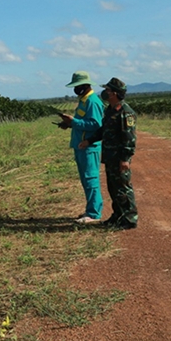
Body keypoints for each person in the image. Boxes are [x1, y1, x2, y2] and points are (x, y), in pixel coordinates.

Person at [80, 77, 138, 230]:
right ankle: (117, 216)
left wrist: (125, 159)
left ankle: (129, 218)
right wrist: (89, 140)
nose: (104, 92)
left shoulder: (126, 113)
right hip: (110, 157)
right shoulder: (110, 110)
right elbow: (103, 130)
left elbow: (129, 138)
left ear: (115, 93)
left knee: (123, 187)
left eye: (107, 90)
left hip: (119, 158)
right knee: (113, 188)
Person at [58, 71, 105, 224]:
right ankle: (90, 210)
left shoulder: (92, 101)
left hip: (89, 147)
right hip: (80, 147)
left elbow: (96, 125)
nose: (76, 89)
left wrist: (74, 122)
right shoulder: (84, 101)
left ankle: (94, 213)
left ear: (86, 85)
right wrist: (69, 124)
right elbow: (84, 123)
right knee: (86, 180)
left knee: (91, 180)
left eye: (78, 86)